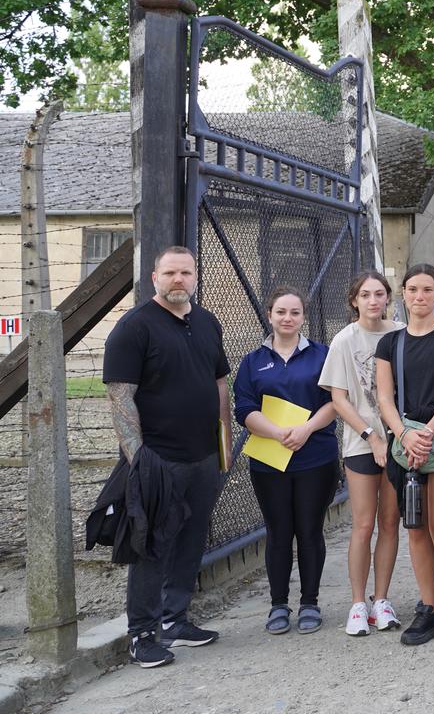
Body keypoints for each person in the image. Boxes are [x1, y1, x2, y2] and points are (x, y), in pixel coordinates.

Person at [103, 246, 231, 668]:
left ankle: (176, 618)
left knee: (191, 538)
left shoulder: (208, 322)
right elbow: (121, 397)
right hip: (158, 459)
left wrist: (224, 446)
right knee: (152, 546)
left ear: (196, 277)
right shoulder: (134, 327)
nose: (179, 279)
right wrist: (139, 460)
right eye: (170, 272)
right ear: (155, 276)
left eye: (186, 272)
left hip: (203, 457)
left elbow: (219, 384)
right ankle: (143, 633)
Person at [375, 264, 434, 660]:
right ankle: (429, 608)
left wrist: (427, 432)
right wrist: (404, 434)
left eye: (428, 289)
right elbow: (384, 398)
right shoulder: (390, 344)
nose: (420, 296)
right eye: (413, 289)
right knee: (415, 527)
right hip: (405, 443)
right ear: (404, 293)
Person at [235, 287, 338, 634]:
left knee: (309, 530)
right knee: (279, 532)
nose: (287, 318)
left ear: (303, 317)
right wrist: (278, 434)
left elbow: (335, 401)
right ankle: (278, 605)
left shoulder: (322, 355)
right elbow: (244, 408)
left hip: (315, 456)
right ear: (269, 315)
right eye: (281, 312)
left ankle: (310, 602)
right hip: (270, 459)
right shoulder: (252, 361)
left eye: (294, 312)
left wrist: (306, 429)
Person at [321, 271, 404, 637]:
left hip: (399, 439)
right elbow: (338, 399)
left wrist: (395, 434)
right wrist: (371, 435)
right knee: (363, 524)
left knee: (390, 523)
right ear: (354, 300)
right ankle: (357, 604)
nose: (373, 300)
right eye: (365, 295)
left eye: (379, 294)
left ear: (388, 298)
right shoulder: (343, 340)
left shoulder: (399, 333)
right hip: (361, 442)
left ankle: (381, 599)